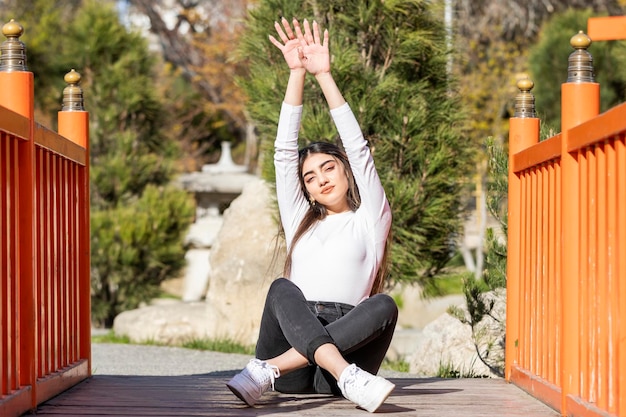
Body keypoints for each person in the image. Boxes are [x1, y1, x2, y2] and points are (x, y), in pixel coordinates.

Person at [226, 17, 398, 413]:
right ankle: (332, 376)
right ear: (303, 188)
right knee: (282, 289)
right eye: (310, 176)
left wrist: (325, 76)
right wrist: (297, 73)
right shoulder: (301, 223)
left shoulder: (370, 219)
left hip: (337, 367)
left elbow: (358, 149)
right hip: (297, 352)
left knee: (384, 304)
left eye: (328, 168)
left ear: (345, 170)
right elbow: (283, 152)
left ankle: (266, 370)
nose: (320, 179)